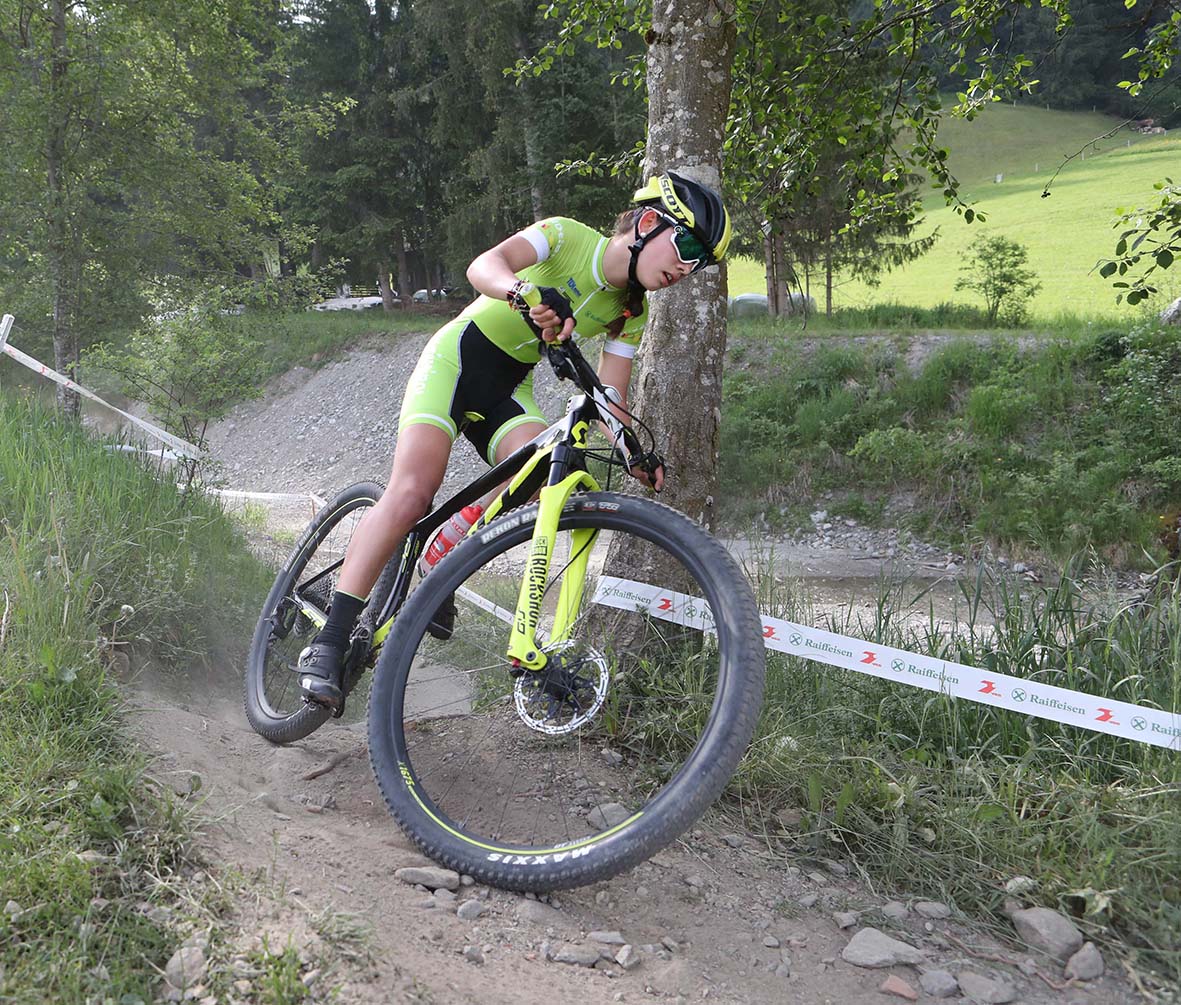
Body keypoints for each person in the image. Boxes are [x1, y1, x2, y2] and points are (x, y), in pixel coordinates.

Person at [296, 171, 732, 711]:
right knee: (411, 493)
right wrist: (524, 291)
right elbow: (483, 266)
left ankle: (441, 550)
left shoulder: (630, 312)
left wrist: (632, 450)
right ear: (647, 223)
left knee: (540, 467)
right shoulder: (568, 237)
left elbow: (609, 397)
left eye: (700, 263)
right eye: (687, 246)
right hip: (456, 360)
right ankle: (330, 638)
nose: (686, 269)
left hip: (507, 388)